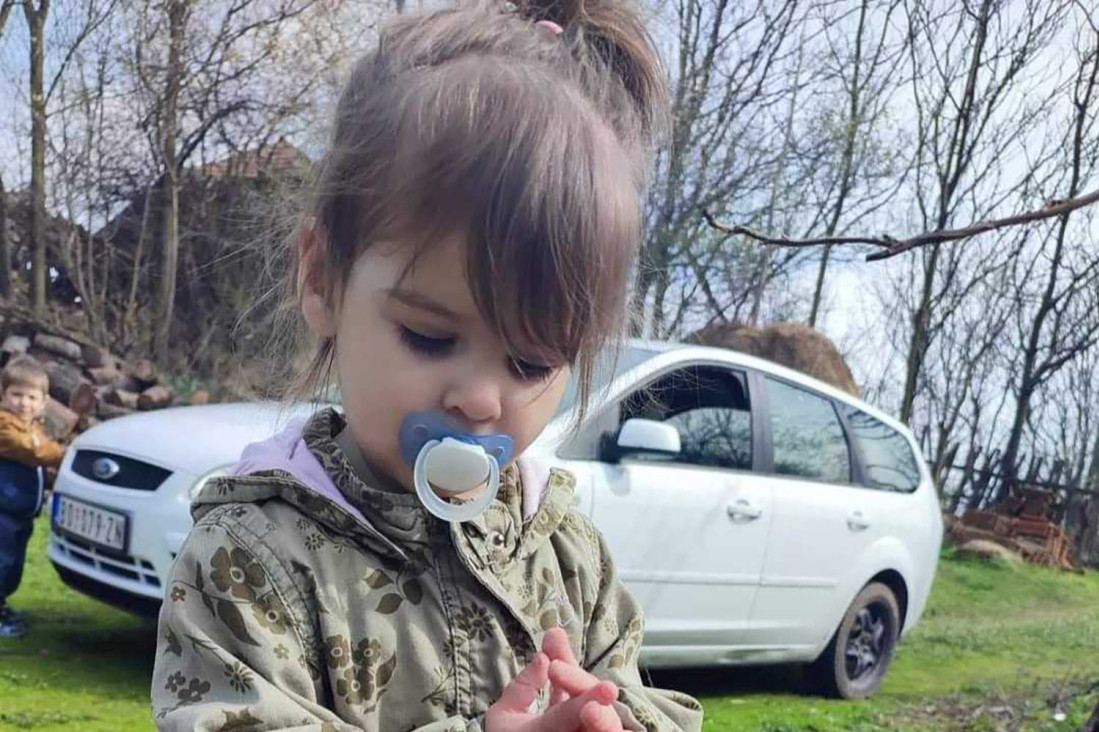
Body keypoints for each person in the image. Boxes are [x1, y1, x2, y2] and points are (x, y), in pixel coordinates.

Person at [151, 0, 703, 729]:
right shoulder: (250, 556)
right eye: (429, 337)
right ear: (322, 278)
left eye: (531, 361)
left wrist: (609, 719)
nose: (479, 399)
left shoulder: (568, 555)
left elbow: (637, 693)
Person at [0, 356, 66, 639]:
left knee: (13, 565)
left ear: (43, 402)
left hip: (21, 513)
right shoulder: (5, 428)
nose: (23, 403)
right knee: (1, 562)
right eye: (16, 395)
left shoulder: (33, 429)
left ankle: (2, 605)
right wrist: (65, 454)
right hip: (3, 511)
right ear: (3, 395)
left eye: (31, 397)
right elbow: (32, 450)